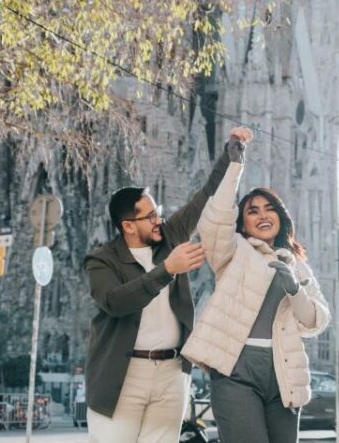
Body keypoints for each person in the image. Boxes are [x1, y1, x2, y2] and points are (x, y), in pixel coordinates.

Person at [84, 127, 252, 443]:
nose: (158, 220)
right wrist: (167, 270)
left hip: (171, 372)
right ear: (128, 226)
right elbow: (115, 301)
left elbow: (204, 198)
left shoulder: (170, 236)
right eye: (149, 216)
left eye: (157, 212)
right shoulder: (102, 259)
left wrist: (233, 153)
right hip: (122, 374)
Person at [181, 130, 331, 443]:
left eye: (268, 208)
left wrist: (294, 289)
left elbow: (316, 321)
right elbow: (212, 224)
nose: (262, 215)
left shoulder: (297, 265)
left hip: (285, 372)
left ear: (281, 216)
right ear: (243, 223)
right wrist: (234, 168)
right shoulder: (233, 251)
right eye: (252, 211)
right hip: (237, 369)